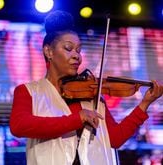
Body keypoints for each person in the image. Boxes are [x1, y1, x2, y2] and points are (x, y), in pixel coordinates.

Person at [9, 10, 163, 165]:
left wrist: (144, 104)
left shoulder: (92, 95)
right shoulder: (28, 91)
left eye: (79, 50)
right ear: (48, 51)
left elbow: (115, 139)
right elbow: (19, 126)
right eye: (68, 48)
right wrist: (78, 118)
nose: (77, 56)